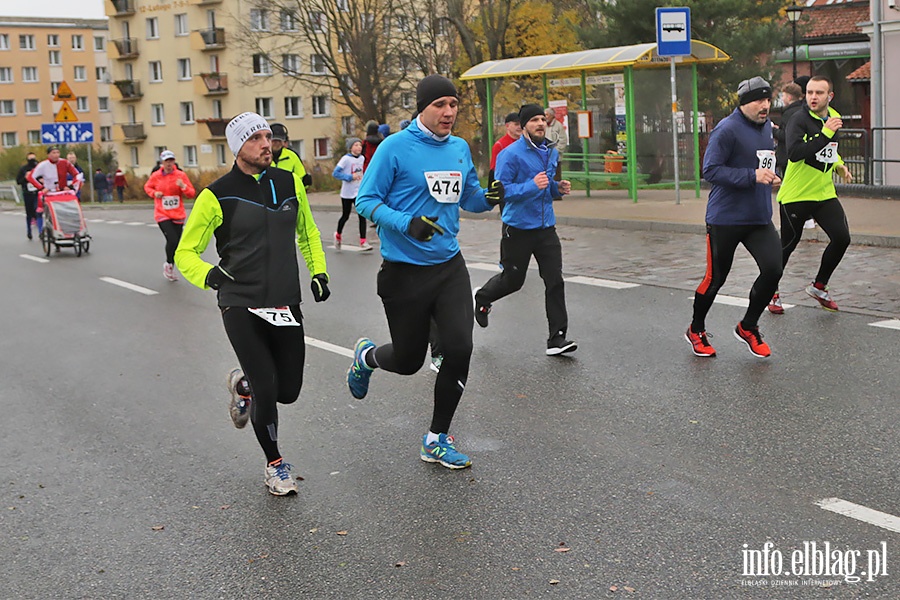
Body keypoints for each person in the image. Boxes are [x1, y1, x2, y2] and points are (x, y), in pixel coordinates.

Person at [346, 74, 503, 470]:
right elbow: (365, 200)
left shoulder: (459, 148)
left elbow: (468, 197)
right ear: (422, 107)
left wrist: (488, 199)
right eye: (440, 105)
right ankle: (366, 357)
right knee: (408, 359)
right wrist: (405, 222)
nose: (449, 112)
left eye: (453, 104)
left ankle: (436, 438)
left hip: (449, 267)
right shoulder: (394, 149)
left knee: (460, 348)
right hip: (403, 273)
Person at [175, 112, 330, 496]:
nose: (266, 144)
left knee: (288, 390)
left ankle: (242, 385)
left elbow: (307, 232)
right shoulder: (217, 194)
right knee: (266, 386)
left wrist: (319, 271)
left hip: (284, 301)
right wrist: (209, 275)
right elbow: (186, 252)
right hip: (240, 302)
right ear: (237, 148)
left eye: (268, 136)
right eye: (255, 138)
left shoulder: (289, 182)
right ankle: (275, 465)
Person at [684, 77, 782, 359]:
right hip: (726, 218)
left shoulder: (766, 127)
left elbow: (763, 162)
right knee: (716, 279)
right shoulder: (726, 130)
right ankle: (696, 329)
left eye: (767, 100)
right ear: (743, 103)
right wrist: (752, 176)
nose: (764, 106)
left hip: (759, 217)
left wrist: (771, 176)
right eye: (758, 101)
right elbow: (710, 171)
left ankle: (748, 326)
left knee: (774, 269)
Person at [473, 103, 576, 356]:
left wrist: (556, 188)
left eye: (542, 119)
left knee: (555, 281)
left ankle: (557, 339)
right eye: (534, 121)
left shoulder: (551, 152)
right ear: (524, 126)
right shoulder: (510, 154)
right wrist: (533, 185)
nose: (540, 124)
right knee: (513, 281)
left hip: (545, 228)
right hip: (517, 228)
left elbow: (546, 186)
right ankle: (483, 297)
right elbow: (502, 192)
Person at [771, 75, 853, 313]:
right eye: (809, 93)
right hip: (796, 195)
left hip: (824, 193)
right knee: (787, 246)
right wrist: (825, 133)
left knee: (842, 238)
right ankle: (771, 291)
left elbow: (830, 151)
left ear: (830, 96)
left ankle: (819, 286)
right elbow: (795, 153)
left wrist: (839, 165)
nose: (813, 97)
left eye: (819, 93)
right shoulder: (799, 119)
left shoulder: (834, 117)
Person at [145, 150, 195, 281]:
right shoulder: (156, 176)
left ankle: (170, 265)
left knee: (176, 242)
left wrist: (183, 186)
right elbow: (147, 187)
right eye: (166, 161)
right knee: (172, 239)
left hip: (178, 213)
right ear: (162, 162)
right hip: (162, 213)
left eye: (171, 161)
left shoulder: (180, 175)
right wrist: (154, 193)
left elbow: (191, 193)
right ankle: (169, 265)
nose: (169, 164)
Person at [331, 137, 371, 251]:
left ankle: (363, 241)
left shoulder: (362, 158)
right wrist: (349, 177)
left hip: (359, 191)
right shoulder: (346, 159)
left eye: (360, 145)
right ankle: (338, 234)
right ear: (350, 148)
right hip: (347, 192)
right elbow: (335, 173)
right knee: (345, 215)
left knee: (362, 215)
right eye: (356, 145)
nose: (359, 147)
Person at [773, 82, 804, 179]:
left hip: (787, 156)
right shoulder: (803, 110)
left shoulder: (788, 113)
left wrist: (773, 130)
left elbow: (786, 135)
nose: (782, 98)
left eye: (783, 95)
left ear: (789, 97)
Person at [270, 123, 313, 189]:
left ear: (283, 142)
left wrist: (305, 182)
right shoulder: (262, 156)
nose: (276, 143)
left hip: (288, 195)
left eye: (279, 141)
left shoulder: (292, 156)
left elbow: (300, 177)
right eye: (274, 141)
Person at [488, 112, 522, 183]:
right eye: (516, 124)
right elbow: (494, 169)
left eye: (521, 124)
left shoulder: (526, 143)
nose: (519, 127)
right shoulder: (500, 145)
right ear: (507, 126)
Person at [544, 107, 567, 201]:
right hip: (545, 156)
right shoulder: (544, 125)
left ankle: (557, 194)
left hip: (555, 156)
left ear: (552, 115)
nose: (545, 117)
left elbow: (563, 141)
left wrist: (554, 152)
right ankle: (547, 192)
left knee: (556, 175)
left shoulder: (558, 126)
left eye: (547, 115)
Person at [16, 153, 40, 239]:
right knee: (29, 213)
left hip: (37, 193)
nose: (32, 161)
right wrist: (26, 178)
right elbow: (18, 181)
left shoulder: (39, 168)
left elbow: (43, 178)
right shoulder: (23, 169)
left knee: (37, 210)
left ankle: (41, 231)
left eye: (33, 159)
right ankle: (29, 231)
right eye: (30, 159)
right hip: (27, 193)